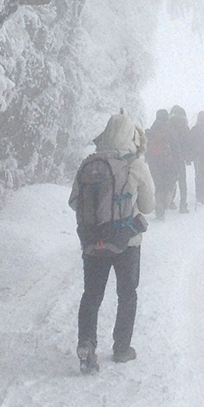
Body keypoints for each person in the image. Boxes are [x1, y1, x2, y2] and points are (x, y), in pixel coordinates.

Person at [69, 112, 155, 372]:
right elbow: (148, 206)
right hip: (127, 242)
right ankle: (121, 349)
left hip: (93, 242)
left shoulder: (90, 162)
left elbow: (74, 202)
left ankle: (86, 343)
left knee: (92, 295)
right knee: (127, 294)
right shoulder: (136, 165)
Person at [145, 109, 178, 221]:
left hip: (153, 162)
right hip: (166, 162)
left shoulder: (151, 130)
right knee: (167, 184)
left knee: (158, 184)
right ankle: (164, 205)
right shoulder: (169, 130)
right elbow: (175, 148)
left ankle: (159, 206)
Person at [167, 105, 192, 213]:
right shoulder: (184, 126)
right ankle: (183, 205)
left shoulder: (168, 125)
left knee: (170, 181)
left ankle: (168, 202)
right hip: (180, 157)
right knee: (182, 182)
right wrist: (188, 157)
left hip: (169, 157)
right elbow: (188, 142)